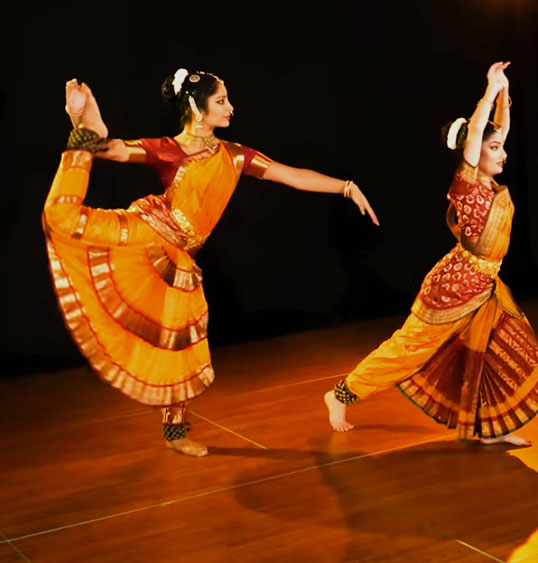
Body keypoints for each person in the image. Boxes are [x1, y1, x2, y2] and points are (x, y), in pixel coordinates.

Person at [43, 69, 379, 456]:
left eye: (227, 100)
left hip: (177, 258)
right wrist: (80, 120)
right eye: (221, 101)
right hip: (148, 231)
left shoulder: (235, 156)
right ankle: (87, 130)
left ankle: (175, 433)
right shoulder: (169, 148)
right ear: (195, 107)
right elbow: (113, 151)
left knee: (178, 344)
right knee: (60, 218)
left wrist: (346, 187)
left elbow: (291, 176)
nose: (230, 107)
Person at [324, 62, 538, 452]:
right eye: (493, 148)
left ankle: (491, 427)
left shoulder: (487, 181)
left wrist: (505, 94)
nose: (502, 153)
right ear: (471, 152)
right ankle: (342, 394)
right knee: (408, 350)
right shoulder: (467, 183)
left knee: (505, 353)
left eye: (501, 147)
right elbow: (478, 133)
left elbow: (497, 129)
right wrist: (489, 91)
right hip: (454, 289)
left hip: (486, 286)